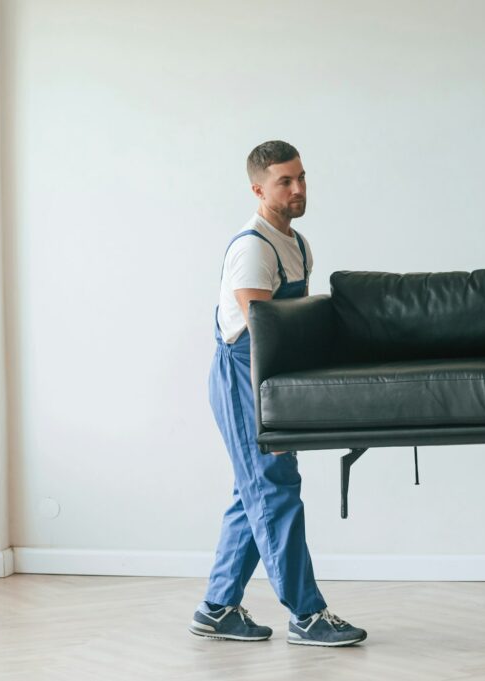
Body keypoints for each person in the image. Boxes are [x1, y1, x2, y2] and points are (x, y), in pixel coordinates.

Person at [188, 140, 367, 647]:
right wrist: (277, 417)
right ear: (258, 188)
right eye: (285, 181)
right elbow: (263, 338)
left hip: (273, 375)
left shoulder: (299, 243)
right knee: (274, 487)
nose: (297, 189)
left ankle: (217, 608)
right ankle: (307, 614)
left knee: (254, 492)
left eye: (302, 177)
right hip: (244, 376)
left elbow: (297, 331)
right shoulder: (252, 248)